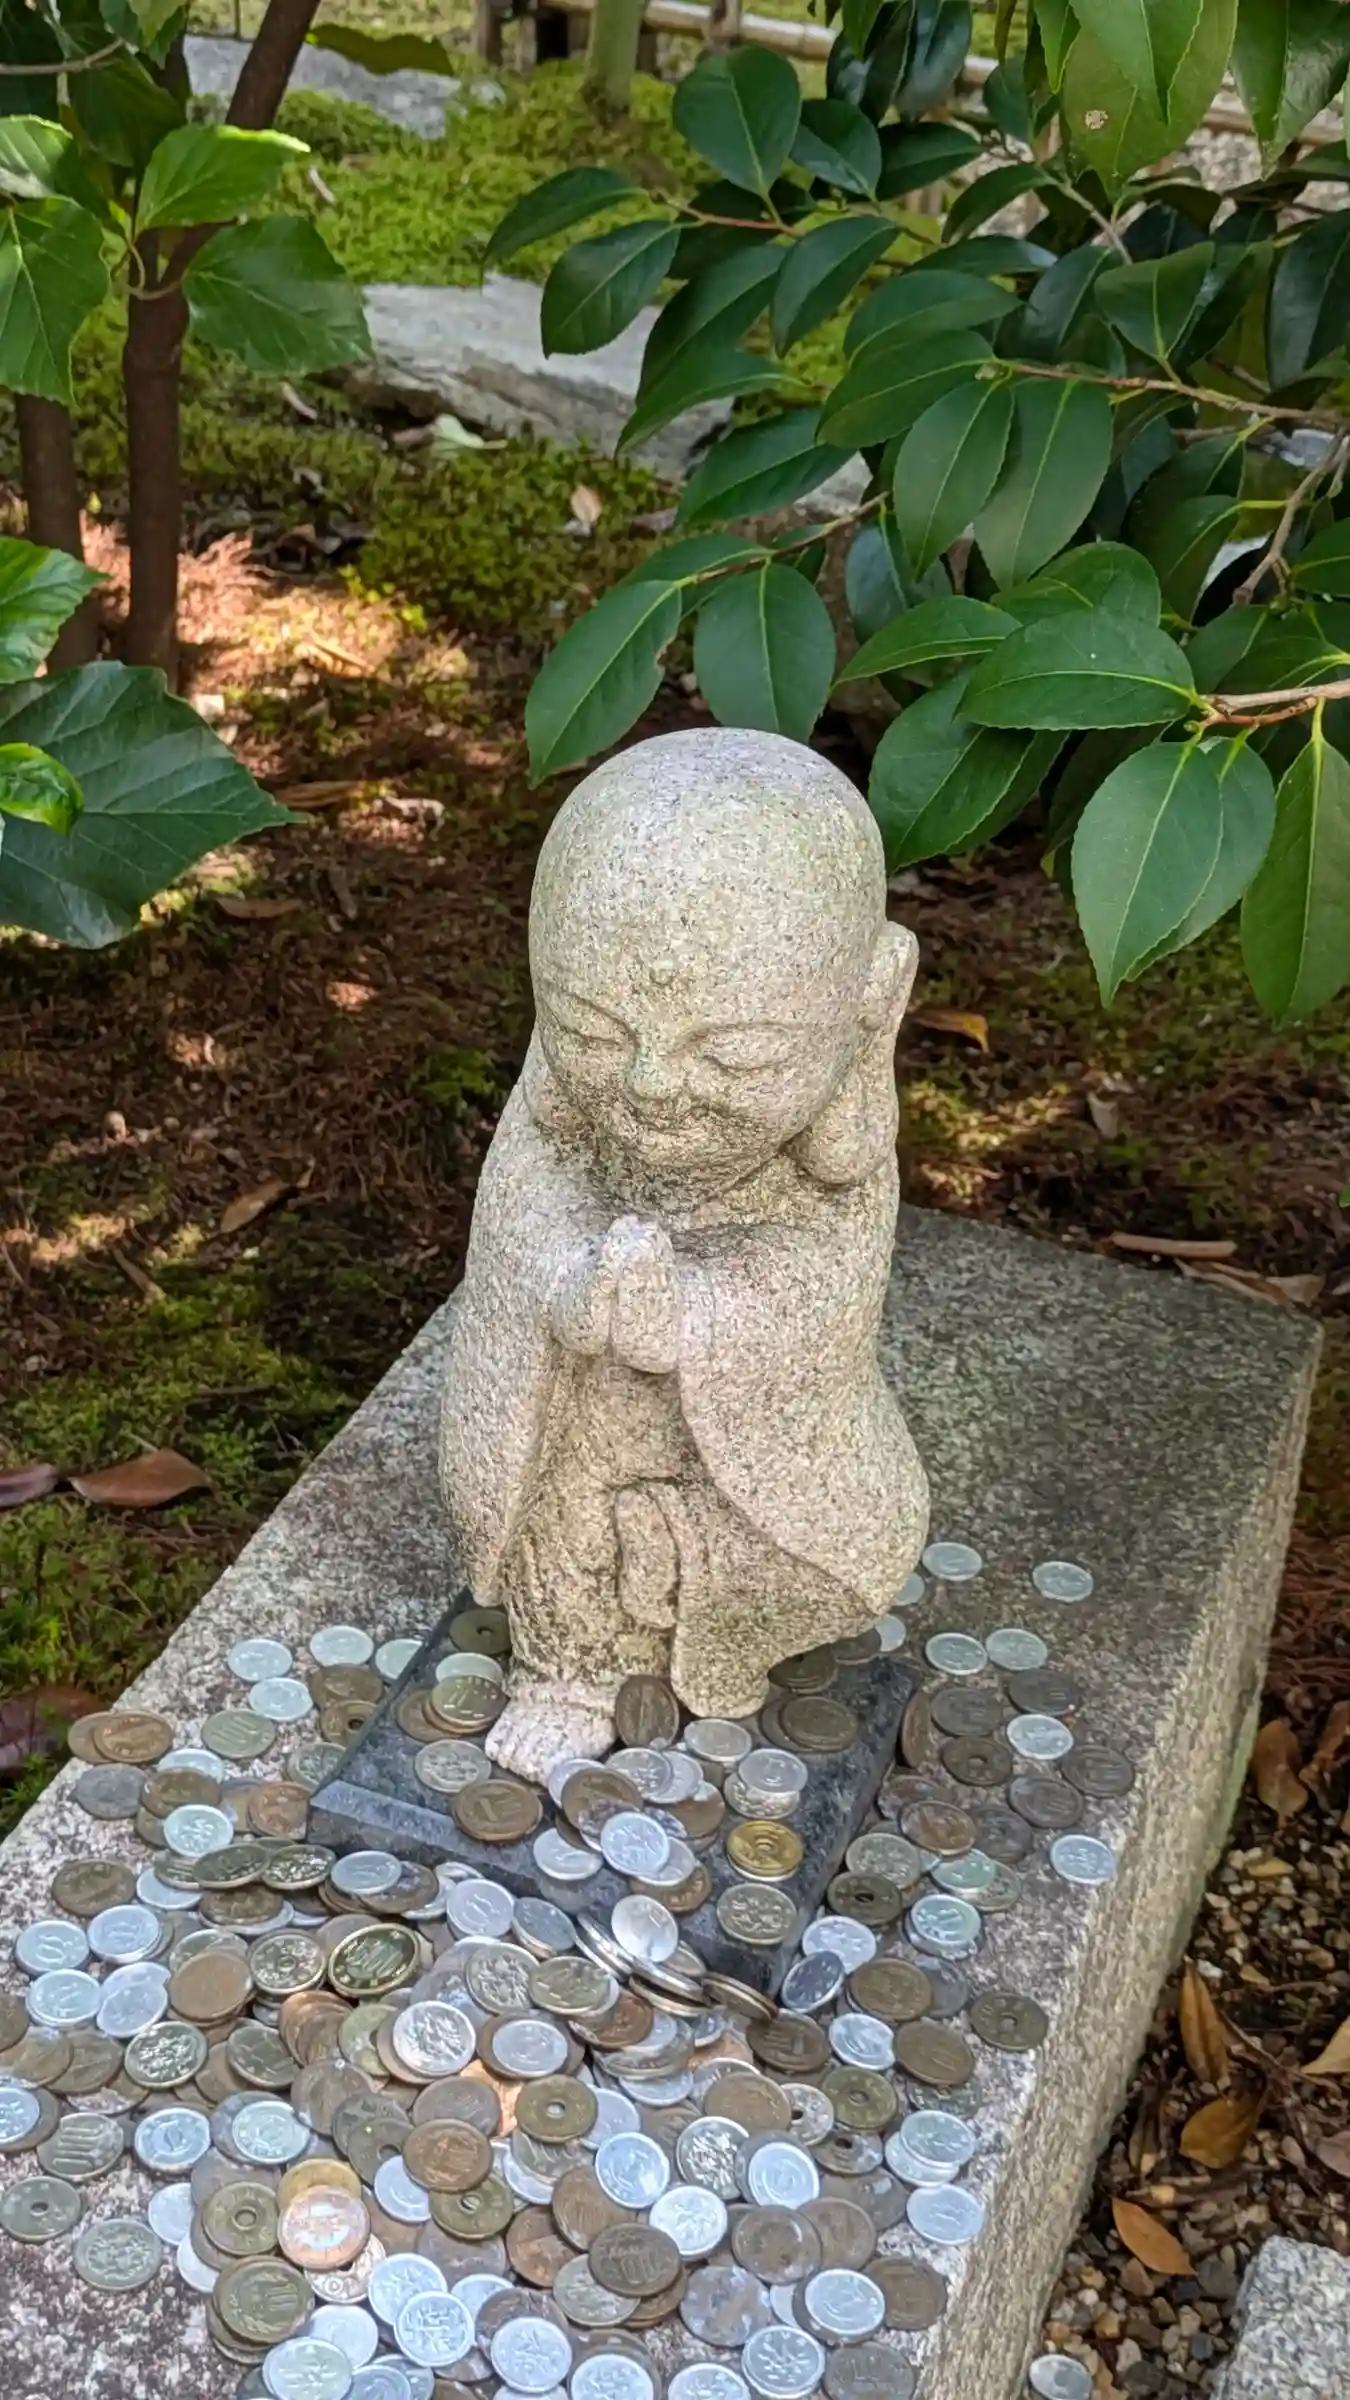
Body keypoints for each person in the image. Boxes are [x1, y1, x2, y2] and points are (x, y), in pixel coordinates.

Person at [440, 728, 928, 1782]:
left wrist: (700, 1314)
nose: (652, 1087)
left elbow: (826, 1295)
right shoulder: (561, 1107)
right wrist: (568, 1280)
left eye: (735, 1056)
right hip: (586, 1416)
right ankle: (569, 1667)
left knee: (823, 1538)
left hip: (739, 1444)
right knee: (564, 1475)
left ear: (873, 1004)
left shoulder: (838, 1160)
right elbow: (521, 1209)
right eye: (593, 1034)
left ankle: (718, 1630)